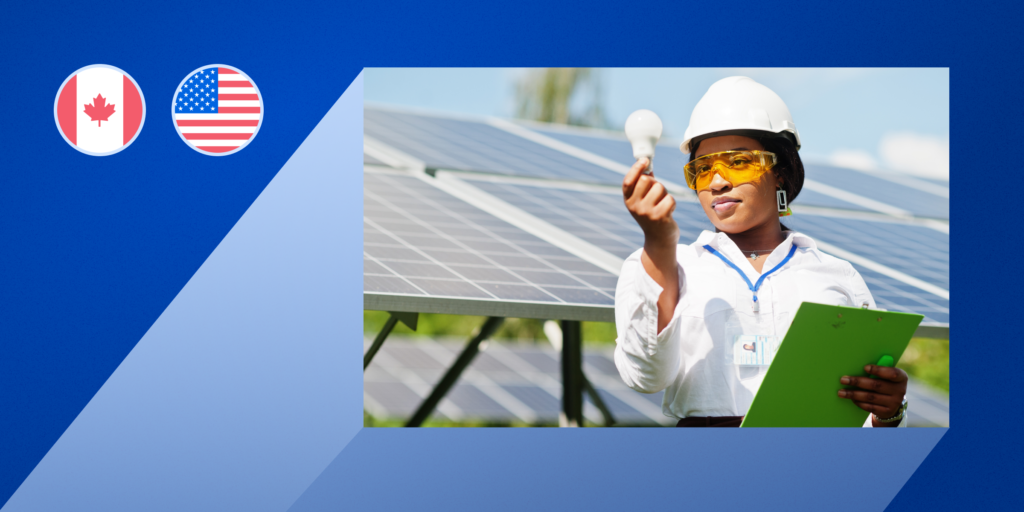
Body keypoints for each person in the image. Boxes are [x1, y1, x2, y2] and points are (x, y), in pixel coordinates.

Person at [614, 76, 909, 427]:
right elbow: (645, 377)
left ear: (780, 172)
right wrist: (660, 244)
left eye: (738, 162)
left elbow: (867, 427)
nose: (718, 182)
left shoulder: (837, 276)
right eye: (703, 170)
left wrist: (889, 413)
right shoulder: (659, 265)